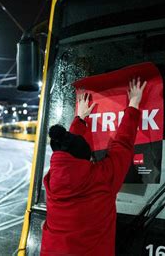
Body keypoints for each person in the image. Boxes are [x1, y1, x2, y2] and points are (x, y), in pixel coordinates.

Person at [41, 78, 147, 255]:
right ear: (87, 159)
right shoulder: (102, 179)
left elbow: (69, 154)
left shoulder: (53, 180)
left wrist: (80, 120)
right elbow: (122, 145)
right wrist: (134, 103)